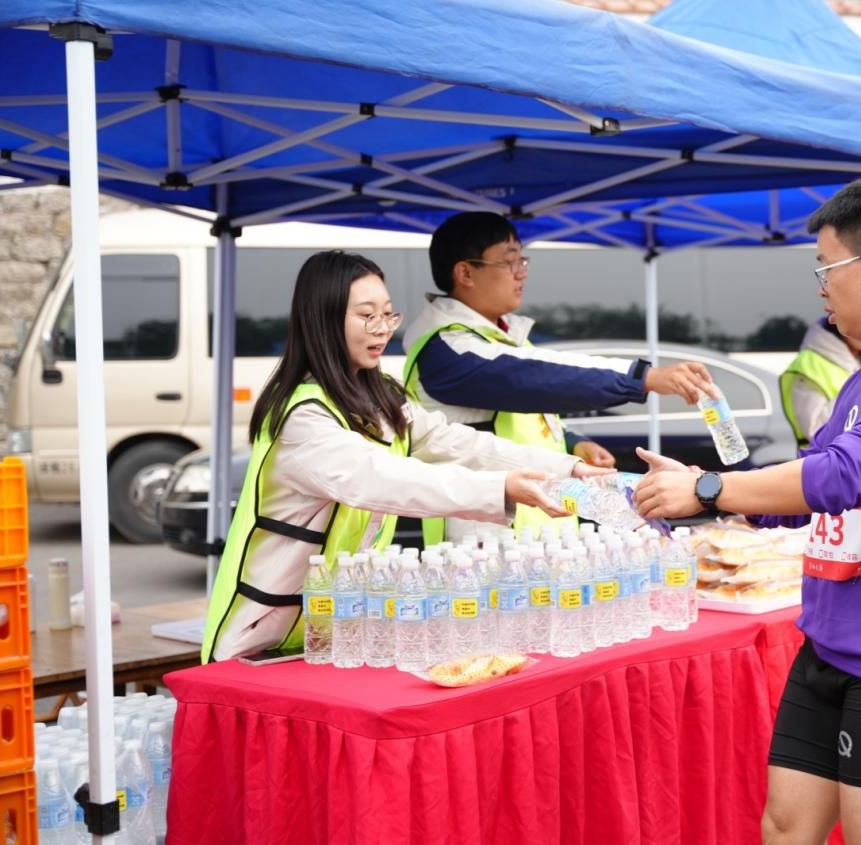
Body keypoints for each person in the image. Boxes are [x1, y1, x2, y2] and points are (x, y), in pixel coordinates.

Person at [634, 175, 861, 845]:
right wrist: (707, 488)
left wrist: (709, 492)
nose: (819, 285)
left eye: (826, 267)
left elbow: (851, 472)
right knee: (785, 828)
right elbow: (805, 496)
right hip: (828, 648)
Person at [201, 250, 607, 662]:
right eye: (366, 316)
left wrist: (565, 466)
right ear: (323, 321)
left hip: (334, 628)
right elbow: (385, 478)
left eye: (388, 315)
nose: (381, 330)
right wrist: (500, 488)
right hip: (264, 640)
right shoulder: (305, 417)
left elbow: (458, 443)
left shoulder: (381, 397)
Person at [403, 211, 712, 542]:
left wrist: (573, 442)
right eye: (509, 263)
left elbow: (523, 414)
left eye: (523, 262)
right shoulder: (448, 347)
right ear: (465, 272)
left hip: (535, 529)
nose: (521, 274)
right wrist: (642, 377)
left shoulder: (499, 338)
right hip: (485, 539)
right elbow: (533, 378)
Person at [779, 317, 861, 448]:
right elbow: (814, 429)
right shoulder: (810, 363)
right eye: (858, 323)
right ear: (836, 324)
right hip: (821, 461)